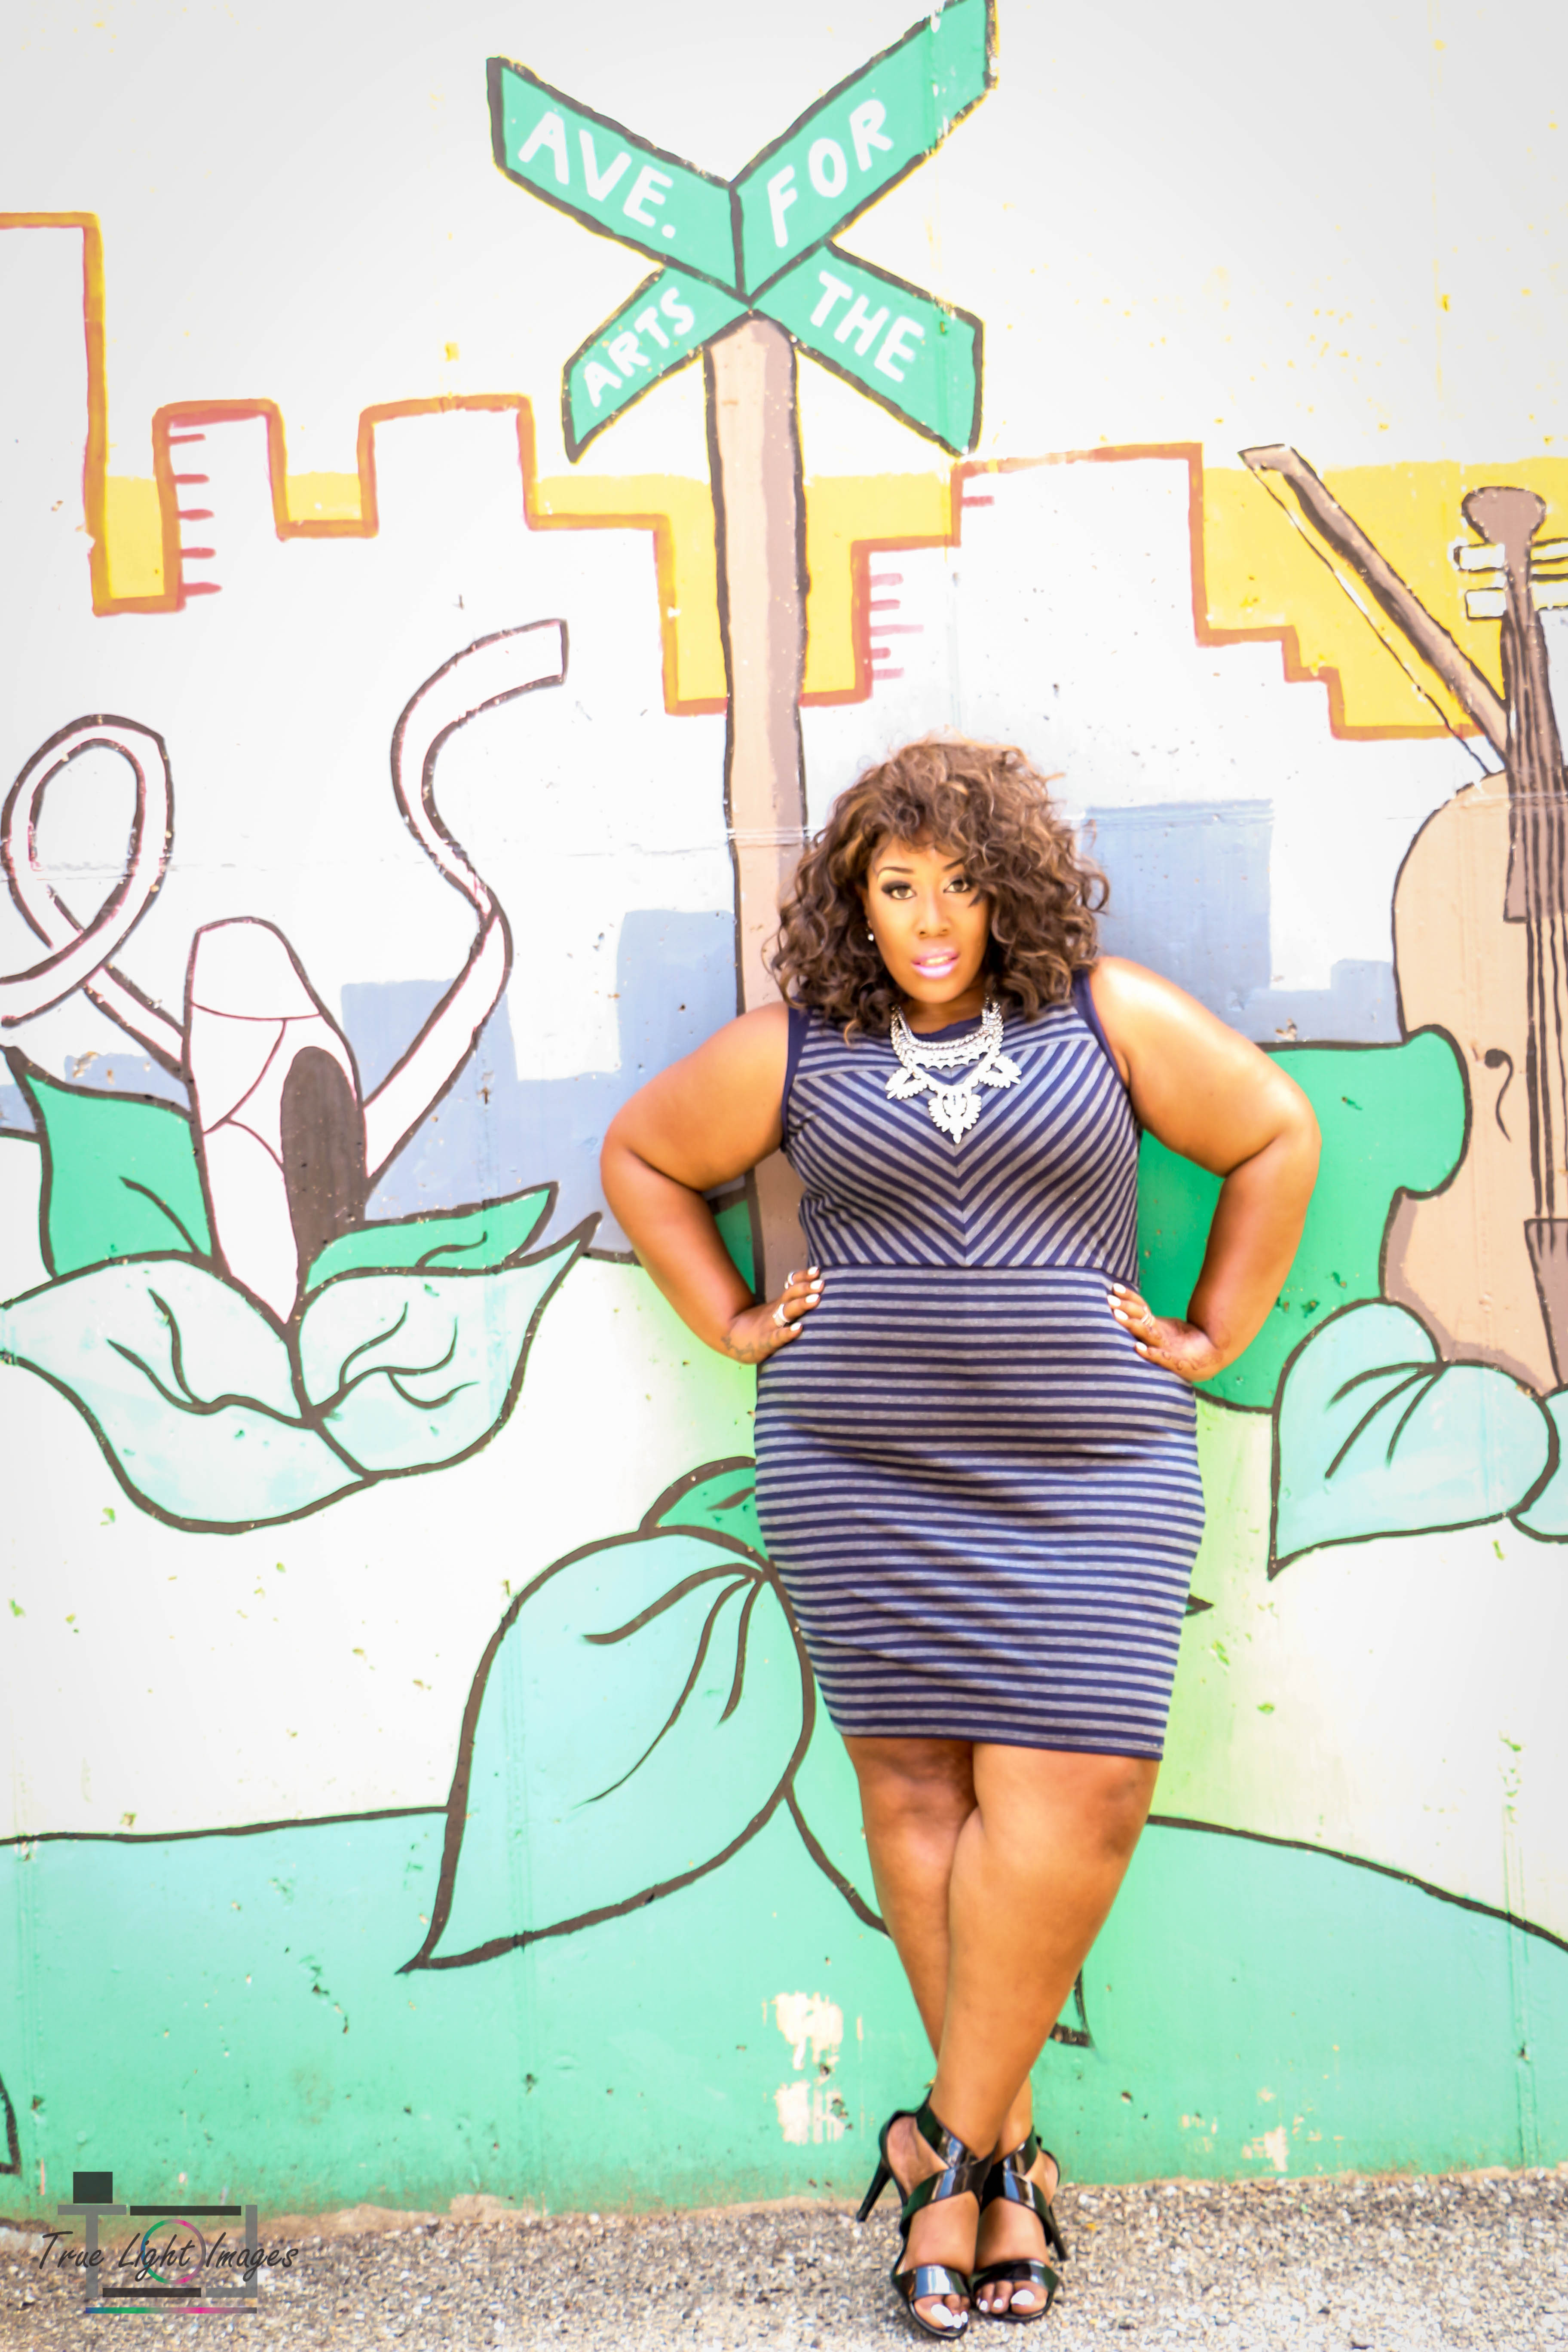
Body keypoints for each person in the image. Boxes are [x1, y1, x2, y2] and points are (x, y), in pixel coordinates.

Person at [601, 737, 1319, 2335]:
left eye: (962, 885)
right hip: (862, 1473)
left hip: (1093, 1473)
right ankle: (1000, 2180)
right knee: (920, 1794)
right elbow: (641, 1158)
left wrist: (1216, 1329)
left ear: (1012, 891)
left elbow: (1274, 1133)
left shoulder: (1105, 1018)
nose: (932, 920)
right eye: (898, 886)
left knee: (1086, 1791)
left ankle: (940, 2144)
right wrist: (730, 1319)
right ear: (857, 899)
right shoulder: (796, 1049)